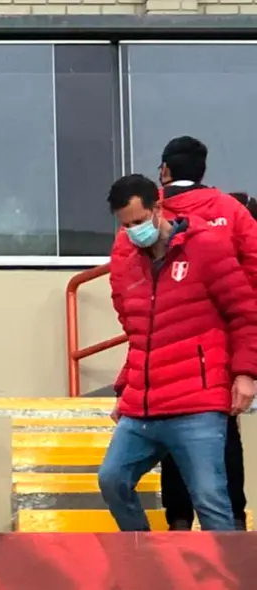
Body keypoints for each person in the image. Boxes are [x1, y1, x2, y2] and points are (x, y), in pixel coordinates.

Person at [99, 173, 257, 532]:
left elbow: (246, 313)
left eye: (139, 221)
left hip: (198, 406)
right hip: (143, 408)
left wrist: (246, 373)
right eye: (126, 226)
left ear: (158, 208)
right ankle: (145, 557)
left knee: (211, 499)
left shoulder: (208, 247)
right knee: (112, 479)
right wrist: (126, 388)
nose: (133, 231)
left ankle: (230, 580)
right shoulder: (130, 265)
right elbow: (142, 335)